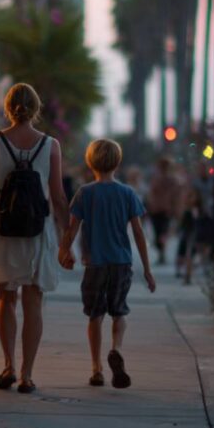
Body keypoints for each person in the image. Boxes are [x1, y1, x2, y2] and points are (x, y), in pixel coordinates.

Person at [0, 83, 68, 394]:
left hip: (2, 231)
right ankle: (27, 375)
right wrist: (68, 239)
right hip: (37, 232)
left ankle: (8, 366)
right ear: (37, 108)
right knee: (34, 302)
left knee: (6, 299)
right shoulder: (51, 145)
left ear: (8, 107)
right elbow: (57, 197)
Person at [59, 139, 157, 389]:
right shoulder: (127, 193)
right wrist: (147, 269)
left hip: (94, 264)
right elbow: (138, 233)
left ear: (90, 162)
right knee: (119, 311)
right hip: (121, 263)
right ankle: (117, 349)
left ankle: (96, 369)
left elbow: (72, 228)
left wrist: (65, 250)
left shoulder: (85, 193)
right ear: (118, 162)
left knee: (95, 315)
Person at [146, 157, 179, 264]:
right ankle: (162, 254)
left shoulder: (161, 179)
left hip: (160, 209)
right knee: (161, 233)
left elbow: (151, 194)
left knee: (160, 233)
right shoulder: (170, 180)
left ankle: (162, 254)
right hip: (162, 209)